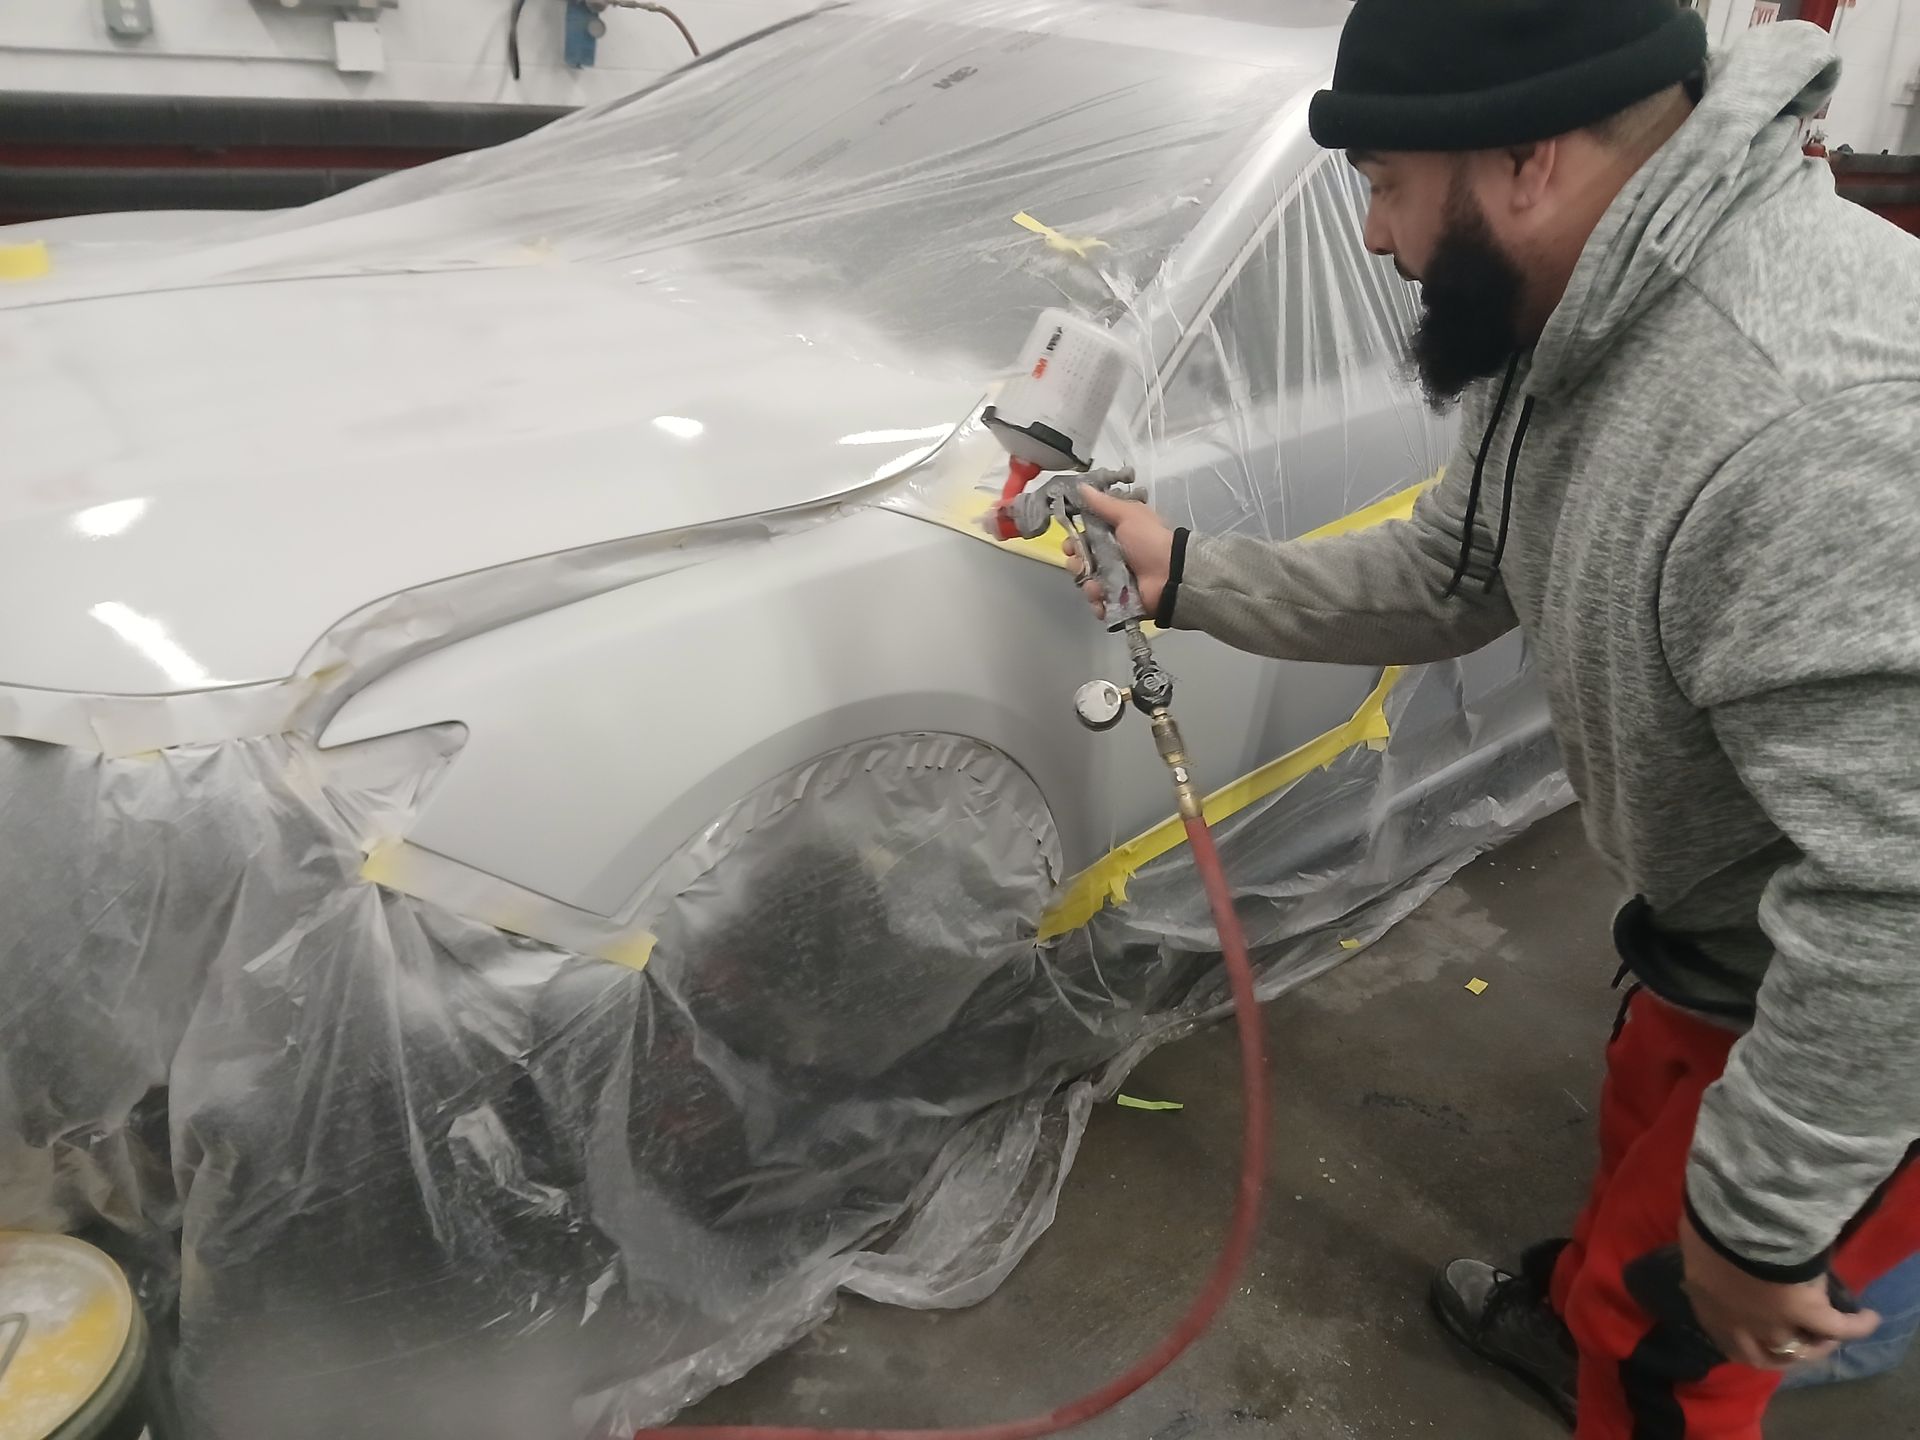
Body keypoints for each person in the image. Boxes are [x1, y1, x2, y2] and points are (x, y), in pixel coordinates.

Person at [1064, 1, 1920, 1435]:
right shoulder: (1583, 306)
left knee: (1679, 1337)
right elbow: (1461, 566)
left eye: (1388, 185)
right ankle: (1598, 1304)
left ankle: (1627, 1342)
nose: (1383, 241)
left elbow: (1902, 903)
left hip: (1856, 993)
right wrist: (1191, 574)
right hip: (1717, 935)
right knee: (1641, 1152)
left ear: (1524, 161)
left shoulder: (1812, 423)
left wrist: (1761, 1221)